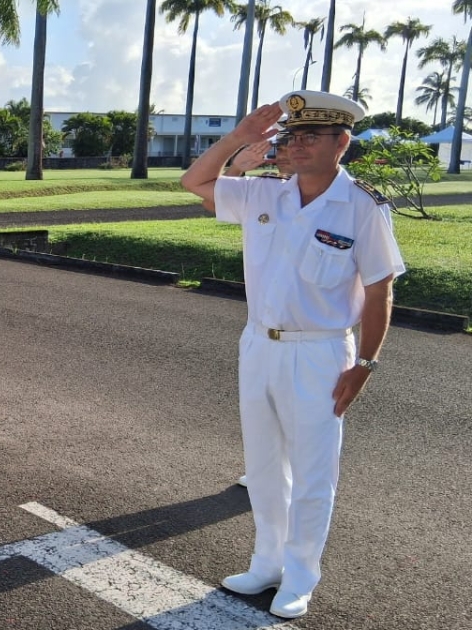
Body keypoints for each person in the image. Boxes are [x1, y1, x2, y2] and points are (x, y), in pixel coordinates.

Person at [181, 90, 405, 619]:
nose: (297, 144)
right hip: (259, 344)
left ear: (341, 142)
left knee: (311, 474)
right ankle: (267, 562)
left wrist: (365, 365)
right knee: (262, 467)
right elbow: (195, 184)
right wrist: (239, 137)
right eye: (293, 134)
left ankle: (300, 576)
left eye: (312, 135)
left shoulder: (363, 208)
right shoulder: (267, 196)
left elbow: (379, 291)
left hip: (320, 353)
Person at [221, 137, 295, 490]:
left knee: (299, 410)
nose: (287, 152)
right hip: (260, 325)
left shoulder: (341, 200)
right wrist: (237, 167)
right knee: (259, 406)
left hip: (307, 330)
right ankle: (265, 472)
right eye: (282, 145)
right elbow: (213, 196)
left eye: (299, 142)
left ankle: (296, 476)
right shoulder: (261, 191)